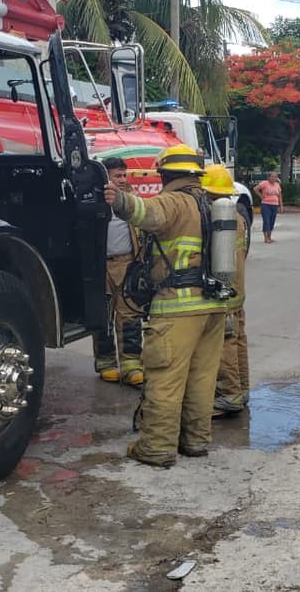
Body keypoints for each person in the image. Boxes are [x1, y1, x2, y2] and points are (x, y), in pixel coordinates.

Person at [104, 145, 229, 468]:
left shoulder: (174, 201)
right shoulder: (210, 203)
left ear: (166, 174)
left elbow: (146, 213)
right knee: (201, 380)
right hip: (213, 307)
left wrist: (117, 199)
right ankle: (195, 441)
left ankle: (157, 448)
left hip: (178, 308)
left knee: (164, 379)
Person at [202, 164, 250, 417]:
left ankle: (228, 395)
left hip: (225, 293)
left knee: (225, 343)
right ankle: (242, 390)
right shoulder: (239, 217)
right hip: (237, 290)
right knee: (238, 340)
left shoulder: (219, 217)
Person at [91, 157, 144, 387]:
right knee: (103, 317)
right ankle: (106, 362)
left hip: (127, 264)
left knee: (130, 315)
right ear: (106, 177)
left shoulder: (133, 200)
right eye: (117, 175)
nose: (122, 180)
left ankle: (132, 364)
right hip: (100, 266)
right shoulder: (94, 201)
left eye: (124, 175)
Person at [254, 172, 282, 243]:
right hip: (266, 204)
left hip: (275, 204)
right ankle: (266, 238)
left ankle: (269, 237)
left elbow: (279, 196)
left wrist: (281, 206)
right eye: (272, 177)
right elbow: (255, 189)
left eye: (275, 177)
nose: (273, 178)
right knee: (266, 221)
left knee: (272, 221)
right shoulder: (264, 183)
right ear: (269, 177)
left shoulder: (277, 185)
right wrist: (261, 196)